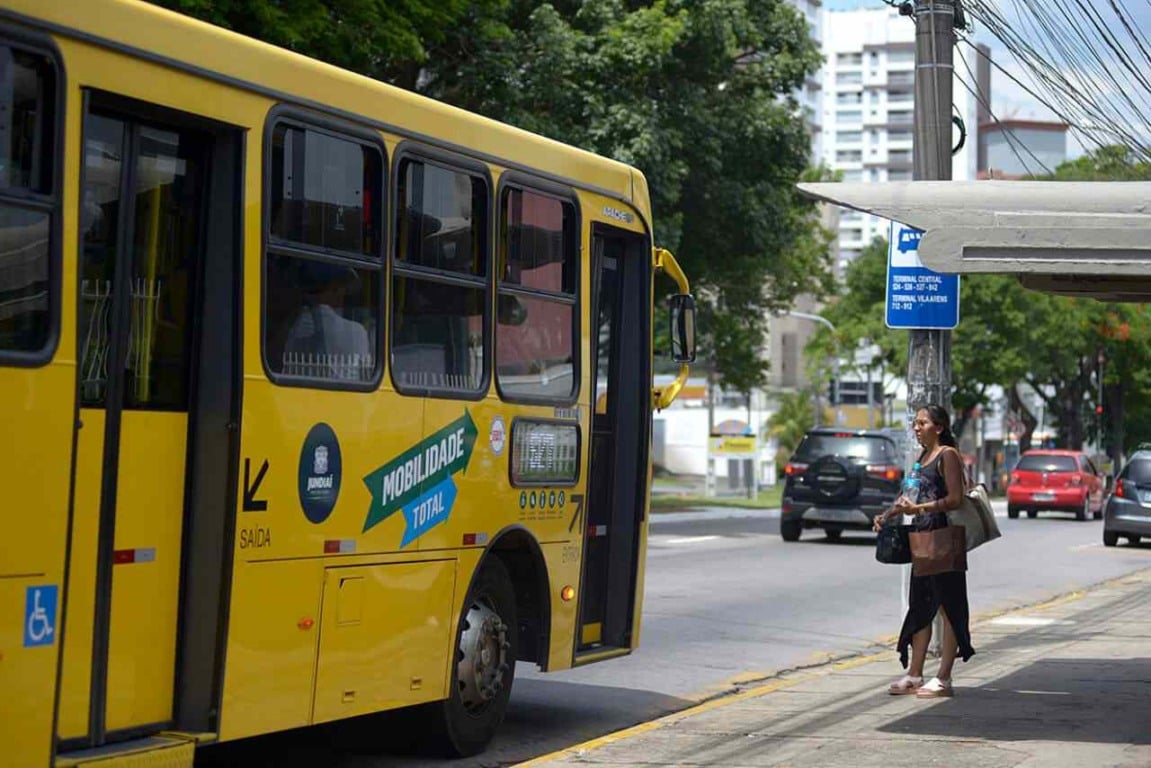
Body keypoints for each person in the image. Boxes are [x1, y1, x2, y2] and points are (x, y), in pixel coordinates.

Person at [873, 403, 975, 698]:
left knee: (948, 608)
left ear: (938, 427)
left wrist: (919, 509)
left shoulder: (947, 455)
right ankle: (915, 674)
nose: (916, 428)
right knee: (921, 606)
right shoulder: (922, 458)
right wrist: (887, 515)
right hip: (923, 541)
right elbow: (909, 495)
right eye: (915, 423)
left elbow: (955, 499)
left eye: (922, 423)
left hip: (944, 540)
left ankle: (944, 678)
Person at [283, 261, 372, 381]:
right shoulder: (356, 332)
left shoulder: (293, 328)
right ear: (333, 289)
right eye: (342, 288)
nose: (344, 295)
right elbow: (365, 375)